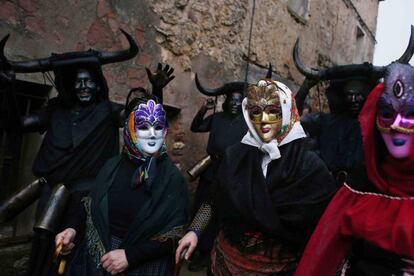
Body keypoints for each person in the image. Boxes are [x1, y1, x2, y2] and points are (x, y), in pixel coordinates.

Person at [176, 77, 336, 275]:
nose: (263, 120)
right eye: (256, 112)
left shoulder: (311, 168)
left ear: (287, 114)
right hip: (222, 265)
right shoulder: (235, 156)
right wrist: (194, 231)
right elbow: (213, 200)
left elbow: (324, 230)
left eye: (273, 112)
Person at [294, 51, 414, 275]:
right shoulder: (325, 122)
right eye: (348, 94)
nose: (353, 99)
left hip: (368, 196)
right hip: (325, 195)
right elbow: (294, 124)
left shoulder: (377, 133)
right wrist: (304, 89)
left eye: (359, 94)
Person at [55, 98, 189, 275]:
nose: (152, 134)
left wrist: (130, 256)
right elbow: (90, 204)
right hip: (98, 257)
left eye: (157, 127)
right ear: (130, 129)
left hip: (143, 264)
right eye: (143, 127)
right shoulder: (112, 166)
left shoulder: (172, 178)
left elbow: (175, 233)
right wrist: (72, 229)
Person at [188, 75, 248, 271]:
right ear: (226, 101)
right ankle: (194, 245)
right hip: (209, 172)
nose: (234, 104)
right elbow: (195, 127)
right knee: (201, 207)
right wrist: (205, 108)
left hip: (230, 176)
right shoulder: (217, 118)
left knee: (218, 214)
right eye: (231, 100)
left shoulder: (247, 124)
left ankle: (207, 252)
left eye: (238, 101)